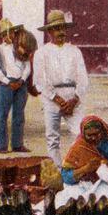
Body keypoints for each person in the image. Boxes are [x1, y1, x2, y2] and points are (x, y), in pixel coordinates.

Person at [33, 10, 89, 168]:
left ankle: (75, 167)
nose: (61, 32)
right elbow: (39, 81)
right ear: (49, 31)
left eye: (63, 28)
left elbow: (83, 78)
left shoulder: (74, 51)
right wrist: (57, 99)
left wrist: (74, 99)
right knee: (52, 138)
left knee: (80, 133)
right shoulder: (42, 53)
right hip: (51, 98)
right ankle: (57, 172)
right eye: (57, 29)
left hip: (72, 96)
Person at [57, 116, 108, 208]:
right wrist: (85, 169)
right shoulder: (78, 147)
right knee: (72, 201)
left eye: (96, 134)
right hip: (81, 186)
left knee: (107, 200)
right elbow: (65, 177)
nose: (93, 138)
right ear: (83, 133)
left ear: (102, 131)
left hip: (105, 185)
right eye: (89, 135)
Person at [0, 25, 37, 154]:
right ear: (2, 36)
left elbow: (27, 66)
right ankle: (2, 145)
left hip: (20, 84)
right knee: (2, 115)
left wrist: (22, 80)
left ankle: (17, 144)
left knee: (19, 115)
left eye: (11, 33)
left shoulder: (21, 48)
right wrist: (7, 82)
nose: (8, 36)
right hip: (6, 84)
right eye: (5, 34)